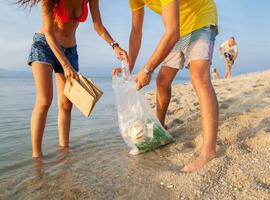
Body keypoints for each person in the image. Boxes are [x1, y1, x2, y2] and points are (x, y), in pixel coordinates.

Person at [113, 0, 219, 172]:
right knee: (162, 81)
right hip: (179, 30)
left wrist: (147, 69)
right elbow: (136, 32)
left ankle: (209, 151)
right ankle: (159, 129)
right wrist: (129, 67)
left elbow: (171, 32)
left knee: (198, 77)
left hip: (200, 19)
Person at [17, 0, 128, 158]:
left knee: (66, 104)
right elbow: (48, 32)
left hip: (70, 50)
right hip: (44, 46)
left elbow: (97, 25)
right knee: (44, 101)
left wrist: (114, 45)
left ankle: (64, 151)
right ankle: (37, 156)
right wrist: (65, 64)